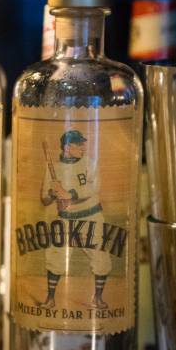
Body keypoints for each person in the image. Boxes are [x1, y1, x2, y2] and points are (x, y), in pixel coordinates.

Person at [40, 129, 111, 309]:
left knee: (101, 259)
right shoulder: (54, 168)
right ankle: (50, 299)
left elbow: (95, 188)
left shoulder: (89, 163)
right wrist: (52, 192)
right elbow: (44, 199)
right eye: (78, 144)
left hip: (91, 216)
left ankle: (98, 298)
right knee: (55, 258)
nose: (83, 147)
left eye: (83, 143)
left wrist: (69, 193)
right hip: (65, 218)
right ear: (67, 147)